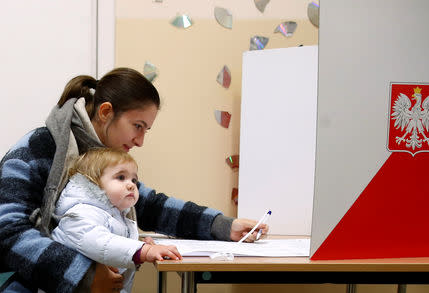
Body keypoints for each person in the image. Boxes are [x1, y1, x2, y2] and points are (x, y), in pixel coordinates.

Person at [0, 67, 268, 293]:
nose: (140, 141)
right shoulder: (37, 149)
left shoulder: (100, 159)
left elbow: (151, 204)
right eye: (137, 126)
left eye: (146, 130)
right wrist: (83, 274)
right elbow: (9, 232)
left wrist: (223, 225)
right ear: (106, 112)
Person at [52, 147, 182, 293]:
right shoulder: (80, 213)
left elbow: (113, 242)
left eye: (134, 179)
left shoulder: (115, 215)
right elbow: (101, 242)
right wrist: (144, 251)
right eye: (121, 177)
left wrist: (139, 244)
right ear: (93, 182)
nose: (131, 185)